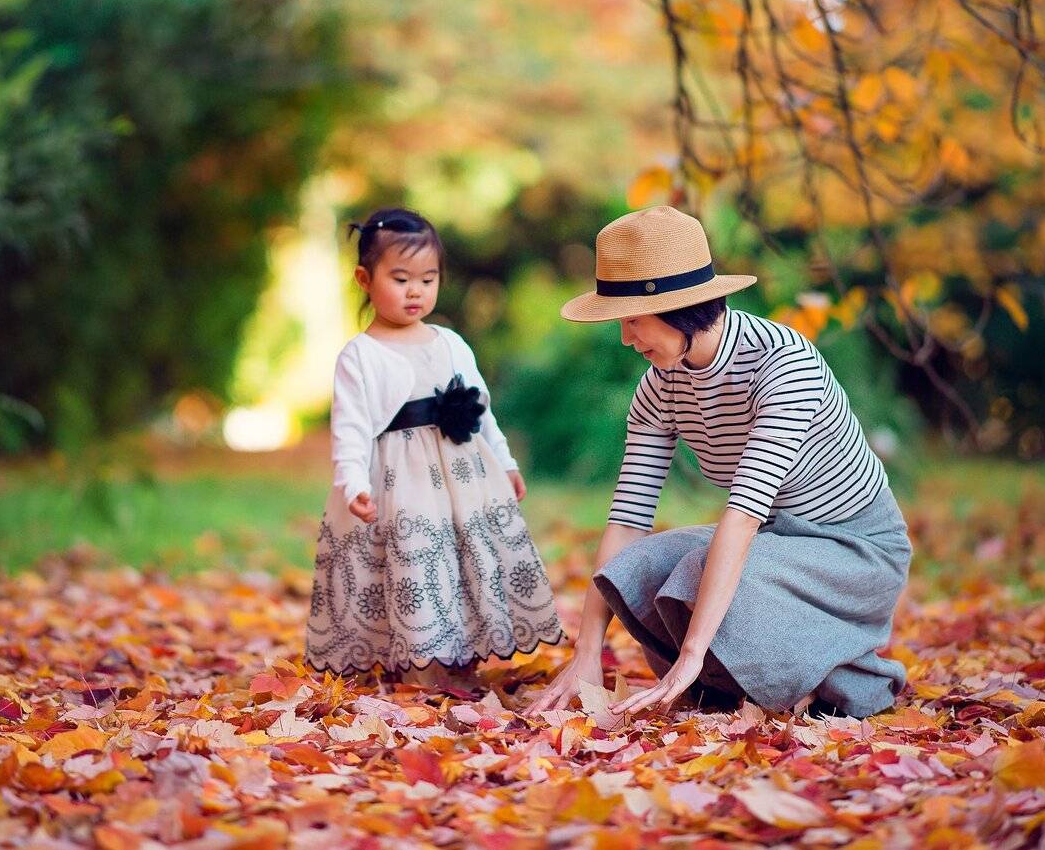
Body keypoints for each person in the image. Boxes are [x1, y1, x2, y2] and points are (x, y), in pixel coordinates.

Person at [526, 205, 911, 719]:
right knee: (638, 568)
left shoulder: (782, 363)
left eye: (634, 320)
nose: (625, 338)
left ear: (680, 310)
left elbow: (744, 513)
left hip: (855, 550)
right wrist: (586, 655)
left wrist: (688, 655)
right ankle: (735, 686)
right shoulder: (661, 384)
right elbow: (626, 521)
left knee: (698, 572)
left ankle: (854, 677)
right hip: (774, 542)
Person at [304, 207, 564, 687]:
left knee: (461, 558)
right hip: (400, 480)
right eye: (400, 278)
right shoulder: (361, 355)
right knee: (415, 560)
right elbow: (352, 428)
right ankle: (423, 665)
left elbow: (480, 408)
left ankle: (462, 655)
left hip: (460, 477)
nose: (416, 290)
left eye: (428, 278)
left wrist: (504, 462)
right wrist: (352, 481)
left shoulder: (450, 343)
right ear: (365, 278)